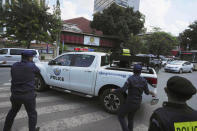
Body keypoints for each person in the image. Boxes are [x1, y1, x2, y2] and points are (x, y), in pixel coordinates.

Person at [3, 50, 40, 131]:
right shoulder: (31, 66)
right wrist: (32, 63)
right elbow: (38, 71)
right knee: (32, 114)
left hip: (15, 94)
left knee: (13, 112)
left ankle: (6, 129)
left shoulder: (14, 65)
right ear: (30, 58)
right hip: (28, 95)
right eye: (32, 57)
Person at [112, 64, 155, 131]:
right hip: (137, 103)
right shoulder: (144, 80)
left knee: (120, 116)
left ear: (133, 71)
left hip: (130, 102)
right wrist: (151, 92)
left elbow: (123, 89)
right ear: (140, 72)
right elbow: (146, 92)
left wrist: (114, 90)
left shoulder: (130, 79)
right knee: (130, 118)